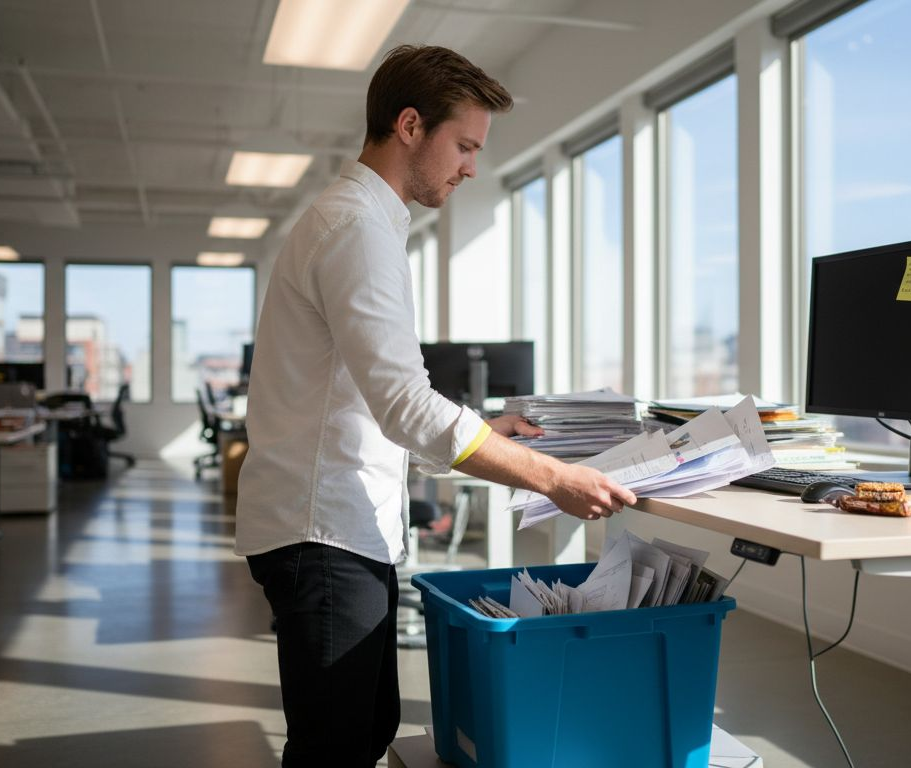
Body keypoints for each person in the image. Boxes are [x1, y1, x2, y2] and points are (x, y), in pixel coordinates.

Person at [234, 45, 636, 768]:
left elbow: (368, 404)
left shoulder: (365, 223)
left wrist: (487, 433)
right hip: (321, 528)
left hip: (329, 521)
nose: (472, 167)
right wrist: (552, 477)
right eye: (465, 146)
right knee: (339, 745)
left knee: (360, 730)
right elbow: (403, 405)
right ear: (410, 125)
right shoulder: (355, 227)